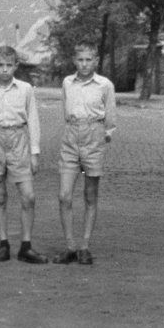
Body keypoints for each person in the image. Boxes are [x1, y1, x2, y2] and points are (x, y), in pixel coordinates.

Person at [0, 45, 47, 263]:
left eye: (9, 65)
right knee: (0, 196)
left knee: (28, 195)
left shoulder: (25, 89)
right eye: (1, 65)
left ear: (16, 66)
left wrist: (34, 152)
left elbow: (33, 120)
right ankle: (3, 244)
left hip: (18, 140)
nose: (5, 70)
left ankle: (26, 246)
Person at [55, 44, 116, 265]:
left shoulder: (104, 85)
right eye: (80, 59)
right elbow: (65, 110)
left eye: (88, 60)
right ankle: (70, 245)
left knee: (90, 195)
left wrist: (99, 136)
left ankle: (84, 246)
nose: (84, 64)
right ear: (74, 60)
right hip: (71, 137)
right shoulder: (67, 83)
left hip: (94, 136)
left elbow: (111, 119)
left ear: (96, 61)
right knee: (64, 195)